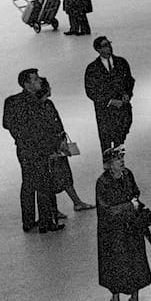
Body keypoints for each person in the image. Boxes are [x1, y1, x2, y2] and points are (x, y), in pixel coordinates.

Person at [2, 67, 66, 233]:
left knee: (28, 184)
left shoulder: (11, 101)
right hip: (39, 149)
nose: (40, 81)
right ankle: (47, 222)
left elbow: (7, 124)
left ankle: (28, 221)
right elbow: (44, 127)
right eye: (36, 79)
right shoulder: (37, 103)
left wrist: (19, 138)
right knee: (44, 184)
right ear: (27, 84)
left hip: (24, 149)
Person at [96, 145, 151, 301]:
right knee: (116, 266)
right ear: (108, 164)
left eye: (121, 158)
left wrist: (134, 203)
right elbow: (105, 210)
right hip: (113, 233)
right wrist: (129, 206)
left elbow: (135, 191)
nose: (121, 161)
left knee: (136, 263)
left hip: (131, 228)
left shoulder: (127, 174)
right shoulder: (102, 183)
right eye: (117, 159)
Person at [40, 76, 95, 214]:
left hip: (58, 145)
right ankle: (55, 209)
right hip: (50, 147)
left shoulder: (49, 104)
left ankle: (76, 202)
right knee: (53, 178)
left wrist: (63, 138)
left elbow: (58, 122)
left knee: (64, 175)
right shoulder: (39, 107)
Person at [84, 36, 135, 151]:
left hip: (122, 110)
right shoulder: (92, 68)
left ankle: (120, 165)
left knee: (120, 141)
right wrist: (109, 101)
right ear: (98, 49)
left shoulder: (121, 62)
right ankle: (108, 167)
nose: (109, 48)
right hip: (105, 112)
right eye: (104, 46)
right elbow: (90, 91)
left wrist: (127, 94)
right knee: (106, 143)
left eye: (109, 44)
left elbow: (129, 80)